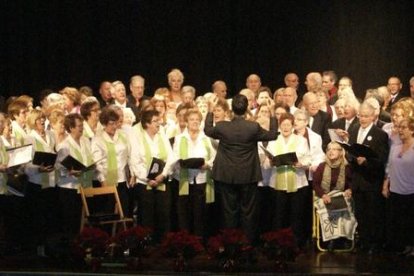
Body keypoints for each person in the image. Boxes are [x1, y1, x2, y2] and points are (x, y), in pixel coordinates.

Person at [204, 94, 278, 244]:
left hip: (226, 175)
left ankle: (229, 243)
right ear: (246, 109)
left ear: (232, 109)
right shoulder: (253, 127)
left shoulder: (222, 126)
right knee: (248, 211)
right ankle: (247, 243)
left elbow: (207, 130)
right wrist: (272, 112)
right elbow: (272, 135)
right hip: (248, 175)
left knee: (228, 211)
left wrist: (211, 111)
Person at [347, 102, 389, 254]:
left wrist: (367, 161)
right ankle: (363, 242)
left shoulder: (380, 134)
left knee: (373, 214)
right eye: (360, 116)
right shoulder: (353, 129)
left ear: (373, 116)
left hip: (371, 181)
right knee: (360, 214)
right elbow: (350, 150)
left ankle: (374, 244)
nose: (362, 119)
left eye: (366, 116)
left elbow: (382, 159)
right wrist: (352, 157)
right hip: (357, 181)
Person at [129, 110, 176, 242]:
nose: (158, 123)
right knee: (147, 216)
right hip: (145, 184)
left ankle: (163, 244)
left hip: (162, 181)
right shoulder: (138, 138)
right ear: (147, 124)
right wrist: (148, 178)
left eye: (159, 120)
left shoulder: (162, 136)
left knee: (163, 215)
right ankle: (146, 244)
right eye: (155, 121)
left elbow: (171, 158)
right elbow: (135, 162)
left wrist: (163, 175)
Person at [266, 113, 311, 248]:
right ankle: (278, 243)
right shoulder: (273, 141)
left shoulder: (301, 140)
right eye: (283, 124)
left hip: (297, 183)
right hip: (277, 184)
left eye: (288, 125)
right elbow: (266, 164)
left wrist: (300, 164)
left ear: (293, 126)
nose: (285, 127)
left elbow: (308, 160)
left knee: (296, 215)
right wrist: (270, 162)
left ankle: (296, 243)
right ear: (279, 126)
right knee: (278, 215)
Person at [172, 109, 216, 238]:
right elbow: (174, 157)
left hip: (201, 180)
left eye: (197, 119)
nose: (195, 122)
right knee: (184, 214)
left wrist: (207, 164)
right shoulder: (179, 138)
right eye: (192, 119)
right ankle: (186, 241)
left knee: (200, 214)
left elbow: (214, 157)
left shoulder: (207, 138)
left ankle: (200, 241)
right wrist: (182, 164)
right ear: (186, 122)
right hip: (183, 180)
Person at [24, 109, 57, 256]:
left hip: (50, 182)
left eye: (43, 118)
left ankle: (49, 247)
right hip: (37, 183)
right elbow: (25, 164)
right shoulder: (29, 138)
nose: (42, 121)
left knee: (50, 216)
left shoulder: (51, 135)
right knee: (38, 217)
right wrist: (39, 168)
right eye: (38, 119)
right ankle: (38, 248)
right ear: (32, 121)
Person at [56, 113, 94, 240]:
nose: (82, 128)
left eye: (82, 125)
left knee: (84, 221)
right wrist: (69, 172)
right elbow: (58, 167)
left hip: (85, 186)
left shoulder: (85, 141)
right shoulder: (64, 145)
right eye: (79, 126)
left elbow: (89, 159)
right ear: (71, 128)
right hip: (70, 188)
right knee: (72, 222)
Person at [91, 106, 134, 216]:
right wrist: (102, 180)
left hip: (122, 179)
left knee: (125, 210)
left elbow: (130, 156)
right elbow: (97, 163)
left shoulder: (123, 135)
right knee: (109, 211)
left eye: (116, 123)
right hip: (107, 180)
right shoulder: (98, 139)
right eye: (111, 123)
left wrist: (133, 174)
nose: (115, 126)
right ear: (104, 124)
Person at [382, 117, 414, 255]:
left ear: (412, 130)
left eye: (404, 128)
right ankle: (402, 246)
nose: (400, 130)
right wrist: (385, 185)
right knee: (398, 220)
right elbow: (389, 167)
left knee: (410, 220)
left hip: (411, 190)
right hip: (395, 189)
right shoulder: (395, 147)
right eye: (399, 127)